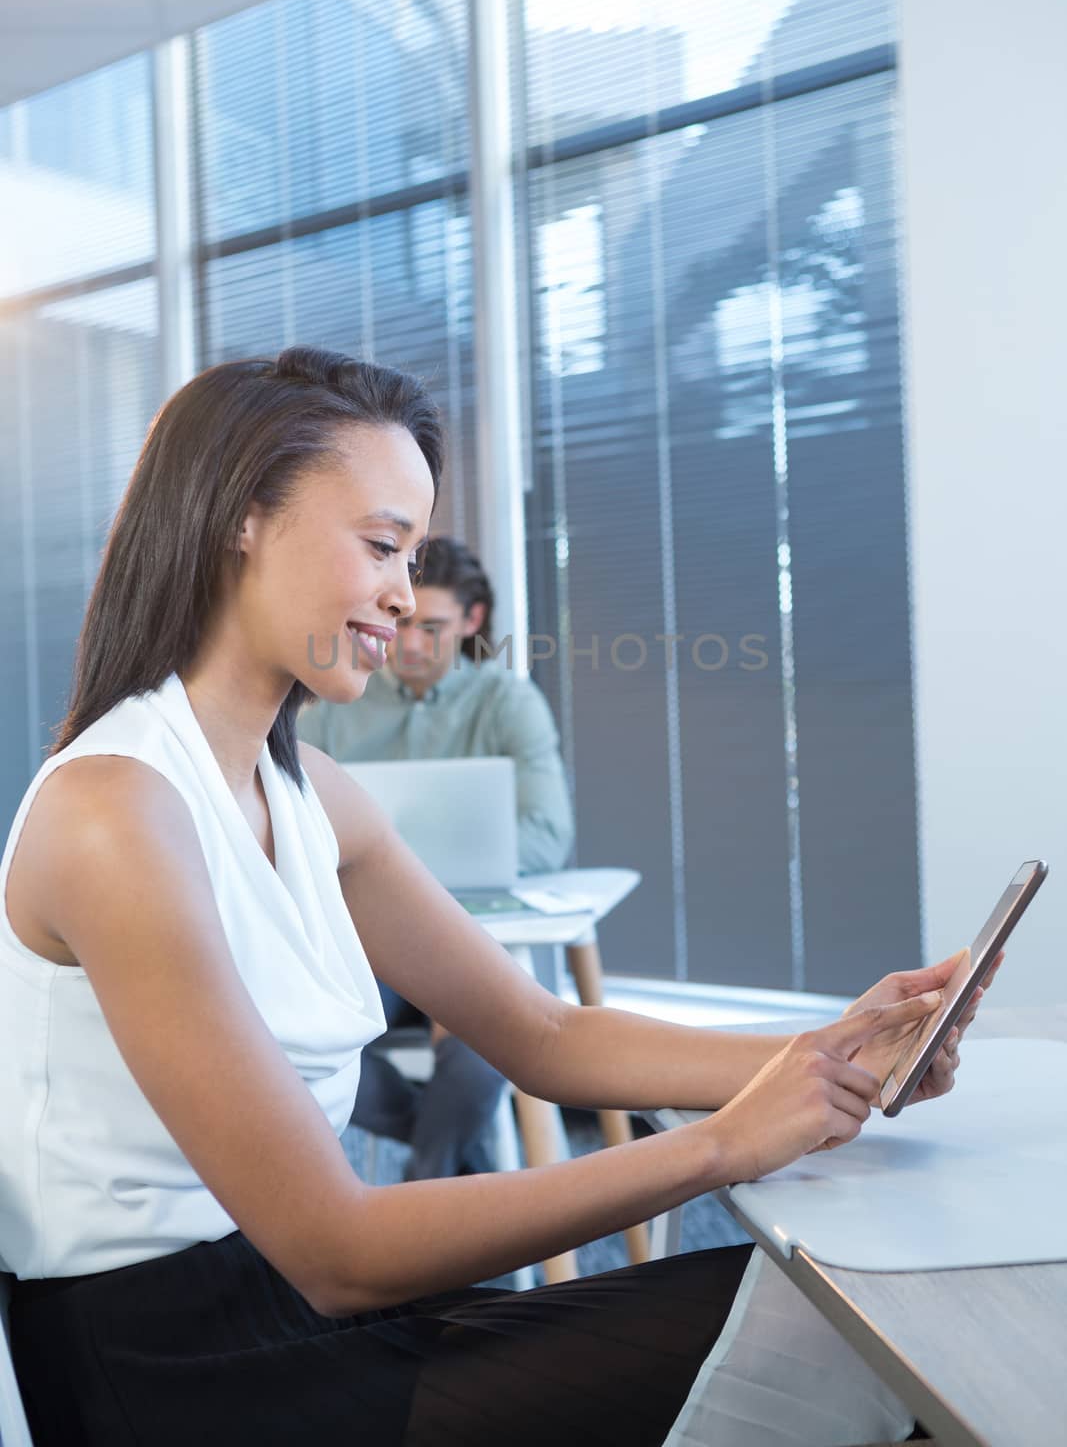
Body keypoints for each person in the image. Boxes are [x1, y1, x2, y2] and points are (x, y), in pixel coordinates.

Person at [0, 346, 985, 1447]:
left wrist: (837, 1051)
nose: (402, 593)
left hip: (310, 1322)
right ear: (240, 515)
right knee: (825, 1339)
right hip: (186, 1375)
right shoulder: (114, 812)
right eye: (379, 545)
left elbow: (545, 1033)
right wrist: (722, 1145)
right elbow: (336, 1248)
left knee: (827, 1326)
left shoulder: (311, 791)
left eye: (411, 554)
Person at [299, 536, 573, 1180]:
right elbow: (295, 825)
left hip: (476, 934)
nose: (411, 643)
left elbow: (546, 832)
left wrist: (396, 872)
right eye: (401, 621)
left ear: (472, 622)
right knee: (295, 1035)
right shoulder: (334, 702)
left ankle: (421, 1195)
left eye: (434, 627)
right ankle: (442, 1163)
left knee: (482, 1048)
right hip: (367, 944)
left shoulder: (509, 703)